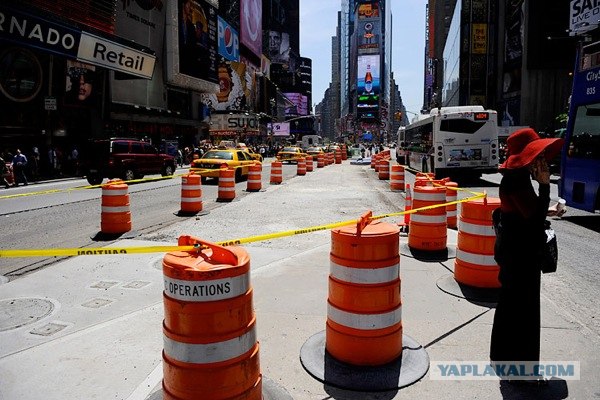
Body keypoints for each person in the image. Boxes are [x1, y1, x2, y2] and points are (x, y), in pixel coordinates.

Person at [490, 128, 564, 382]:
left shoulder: (517, 177)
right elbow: (532, 220)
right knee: (524, 312)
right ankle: (523, 373)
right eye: (537, 155)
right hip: (520, 254)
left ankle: (505, 362)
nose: (542, 159)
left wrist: (547, 208)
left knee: (511, 308)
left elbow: (526, 211)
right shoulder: (516, 180)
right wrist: (545, 187)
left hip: (514, 251)